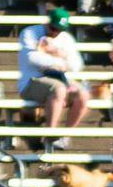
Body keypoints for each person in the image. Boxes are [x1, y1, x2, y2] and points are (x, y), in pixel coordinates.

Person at [19, 8, 92, 138]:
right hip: (32, 80)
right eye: (53, 28)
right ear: (48, 22)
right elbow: (32, 58)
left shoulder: (66, 38)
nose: (56, 33)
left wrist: (55, 52)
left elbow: (77, 65)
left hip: (60, 79)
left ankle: (65, 136)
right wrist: (60, 60)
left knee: (83, 95)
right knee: (59, 89)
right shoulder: (30, 32)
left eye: (60, 30)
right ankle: (50, 134)